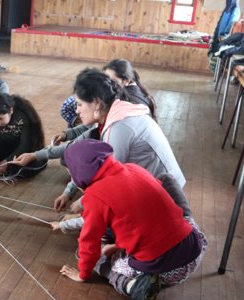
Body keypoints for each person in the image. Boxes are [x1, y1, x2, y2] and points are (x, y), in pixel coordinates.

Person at [59, 140, 206, 300]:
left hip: (166, 269)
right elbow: (141, 220)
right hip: (194, 248)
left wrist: (82, 275)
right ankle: (139, 275)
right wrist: (119, 246)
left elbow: (88, 244)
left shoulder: (94, 196)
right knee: (166, 182)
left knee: (95, 260)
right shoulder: (133, 169)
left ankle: (134, 287)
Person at [51, 68, 184, 214]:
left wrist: (83, 204)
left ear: (96, 103)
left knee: (103, 215)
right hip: (166, 187)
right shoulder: (117, 112)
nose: (77, 110)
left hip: (167, 198)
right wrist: (68, 193)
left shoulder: (119, 128)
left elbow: (109, 180)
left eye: (80, 104)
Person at [0, 92, 47, 179]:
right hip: (4, 142)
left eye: (0, 118)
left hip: (26, 147)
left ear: (11, 111)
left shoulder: (23, 116)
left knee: (25, 169)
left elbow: (25, 144)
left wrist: (7, 161)